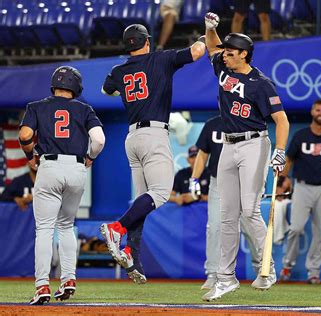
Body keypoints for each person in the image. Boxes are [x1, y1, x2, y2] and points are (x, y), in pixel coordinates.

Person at [99, 24, 205, 284]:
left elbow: (106, 90)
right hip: (154, 134)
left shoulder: (119, 69)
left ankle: (132, 254)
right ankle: (117, 228)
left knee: (141, 201)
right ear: (147, 41)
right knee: (159, 193)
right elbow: (198, 51)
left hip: (132, 137)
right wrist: (206, 34)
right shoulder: (160, 58)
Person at [201, 12, 289, 301]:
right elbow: (212, 46)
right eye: (225, 51)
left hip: (254, 145)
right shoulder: (223, 67)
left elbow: (282, 120)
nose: (223, 55)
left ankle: (267, 269)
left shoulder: (261, 83)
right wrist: (210, 28)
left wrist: (279, 152)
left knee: (250, 211)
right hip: (227, 145)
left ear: (244, 54)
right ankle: (226, 278)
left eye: (230, 52)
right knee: (227, 215)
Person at [19, 66, 105, 305]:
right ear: (75, 86)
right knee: (67, 226)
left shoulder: (36, 107)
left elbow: (25, 136)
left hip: (50, 166)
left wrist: (30, 157)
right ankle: (68, 279)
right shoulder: (85, 109)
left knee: (44, 229)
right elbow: (99, 139)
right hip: (77, 169)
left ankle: (42, 285)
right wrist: (90, 157)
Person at [189, 115, 262, 290]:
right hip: (218, 181)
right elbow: (203, 153)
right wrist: (194, 179)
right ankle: (213, 274)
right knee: (214, 227)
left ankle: (262, 270)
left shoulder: (250, 121)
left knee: (251, 225)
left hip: (245, 181)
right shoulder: (212, 124)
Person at [279, 99, 321, 284]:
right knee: (296, 228)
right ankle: (287, 265)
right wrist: (280, 182)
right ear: (312, 111)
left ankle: (314, 271)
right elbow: (289, 160)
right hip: (302, 187)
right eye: (318, 109)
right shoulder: (300, 136)